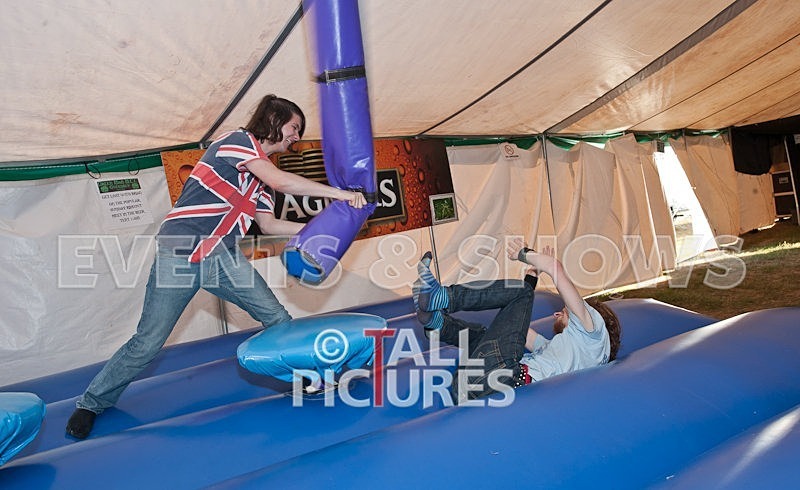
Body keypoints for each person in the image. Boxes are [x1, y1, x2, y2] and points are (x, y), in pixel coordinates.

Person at [66, 94, 366, 439]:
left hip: (221, 256)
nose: (296, 137)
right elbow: (285, 183)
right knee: (148, 342)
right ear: (274, 118)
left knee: (277, 318)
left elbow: (268, 225)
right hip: (179, 251)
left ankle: (301, 380)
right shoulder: (236, 141)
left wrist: (329, 230)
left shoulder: (264, 180)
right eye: (294, 127)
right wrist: (340, 195)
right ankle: (90, 403)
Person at [412, 238, 621, 404]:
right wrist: (534, 274)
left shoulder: (592, 330)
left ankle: (444, 297)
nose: (557, 314)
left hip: (503, 380)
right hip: (476, 386)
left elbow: (554, 267)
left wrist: (525, 254)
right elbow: (513, 326)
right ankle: (437, 323)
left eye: (564, 312)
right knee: (490, 336)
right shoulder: (563, 353)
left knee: (521, 295)